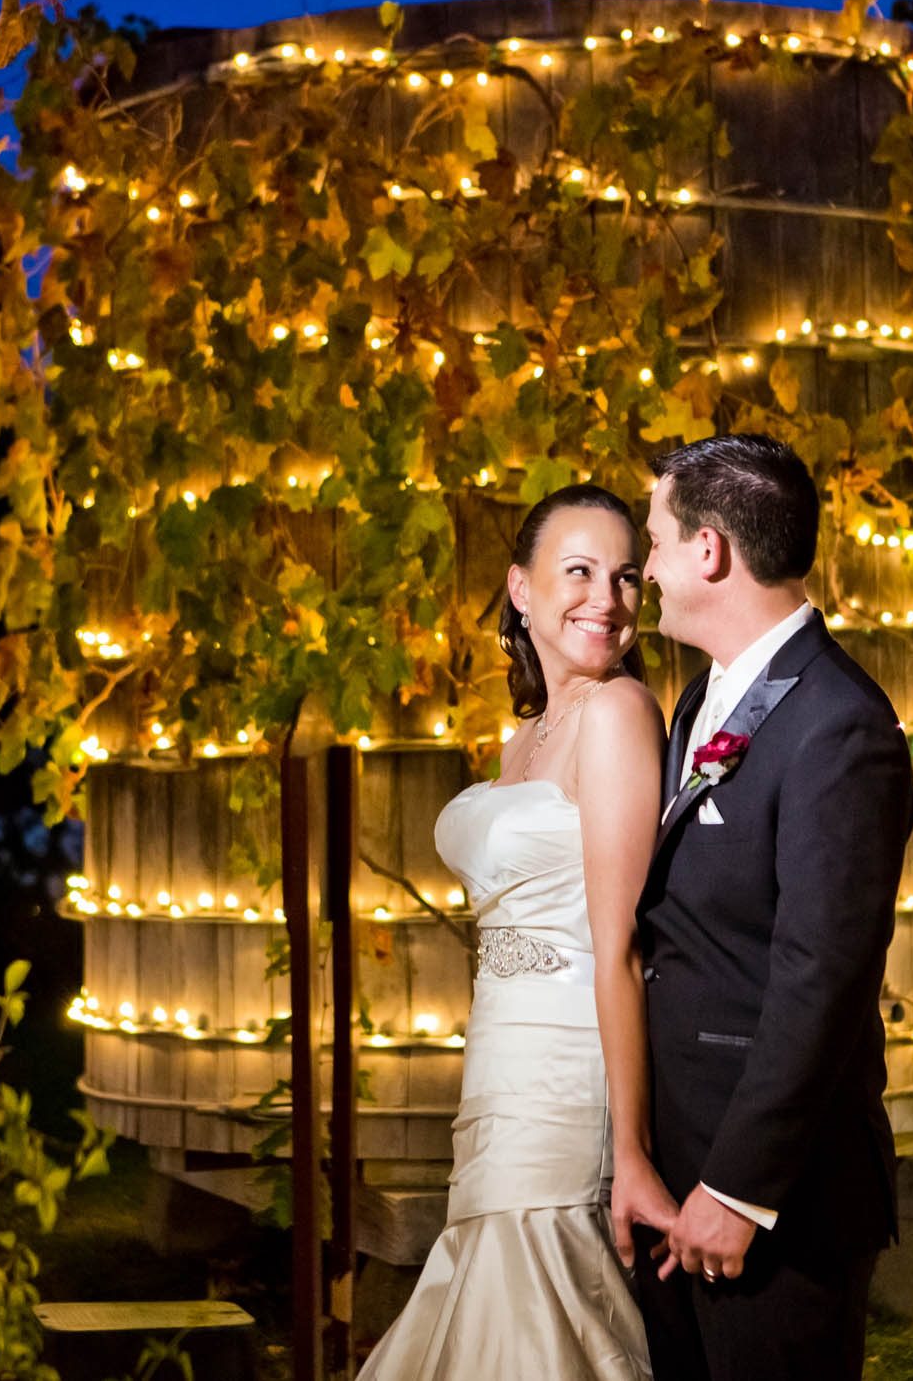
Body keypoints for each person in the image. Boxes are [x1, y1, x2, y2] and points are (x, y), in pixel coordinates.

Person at [358, 482, 676, 1380]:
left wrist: (631, 1150)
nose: (605, 599)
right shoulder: (522, 740)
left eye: (623, 577)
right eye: (578, 571)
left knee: (538, 1310)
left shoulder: (617, 714)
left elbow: (618, 946)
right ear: (521, 589)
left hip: (567, 1075)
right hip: (496, 1067)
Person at [631, 433, 913, 1381]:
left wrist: (740, 1187)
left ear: (710, 551)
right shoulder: (698, 701)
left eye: (658, 541)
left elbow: (822, 976)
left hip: (773, 1198)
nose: (650, 568)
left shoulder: (840, 725)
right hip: (679, 1171)